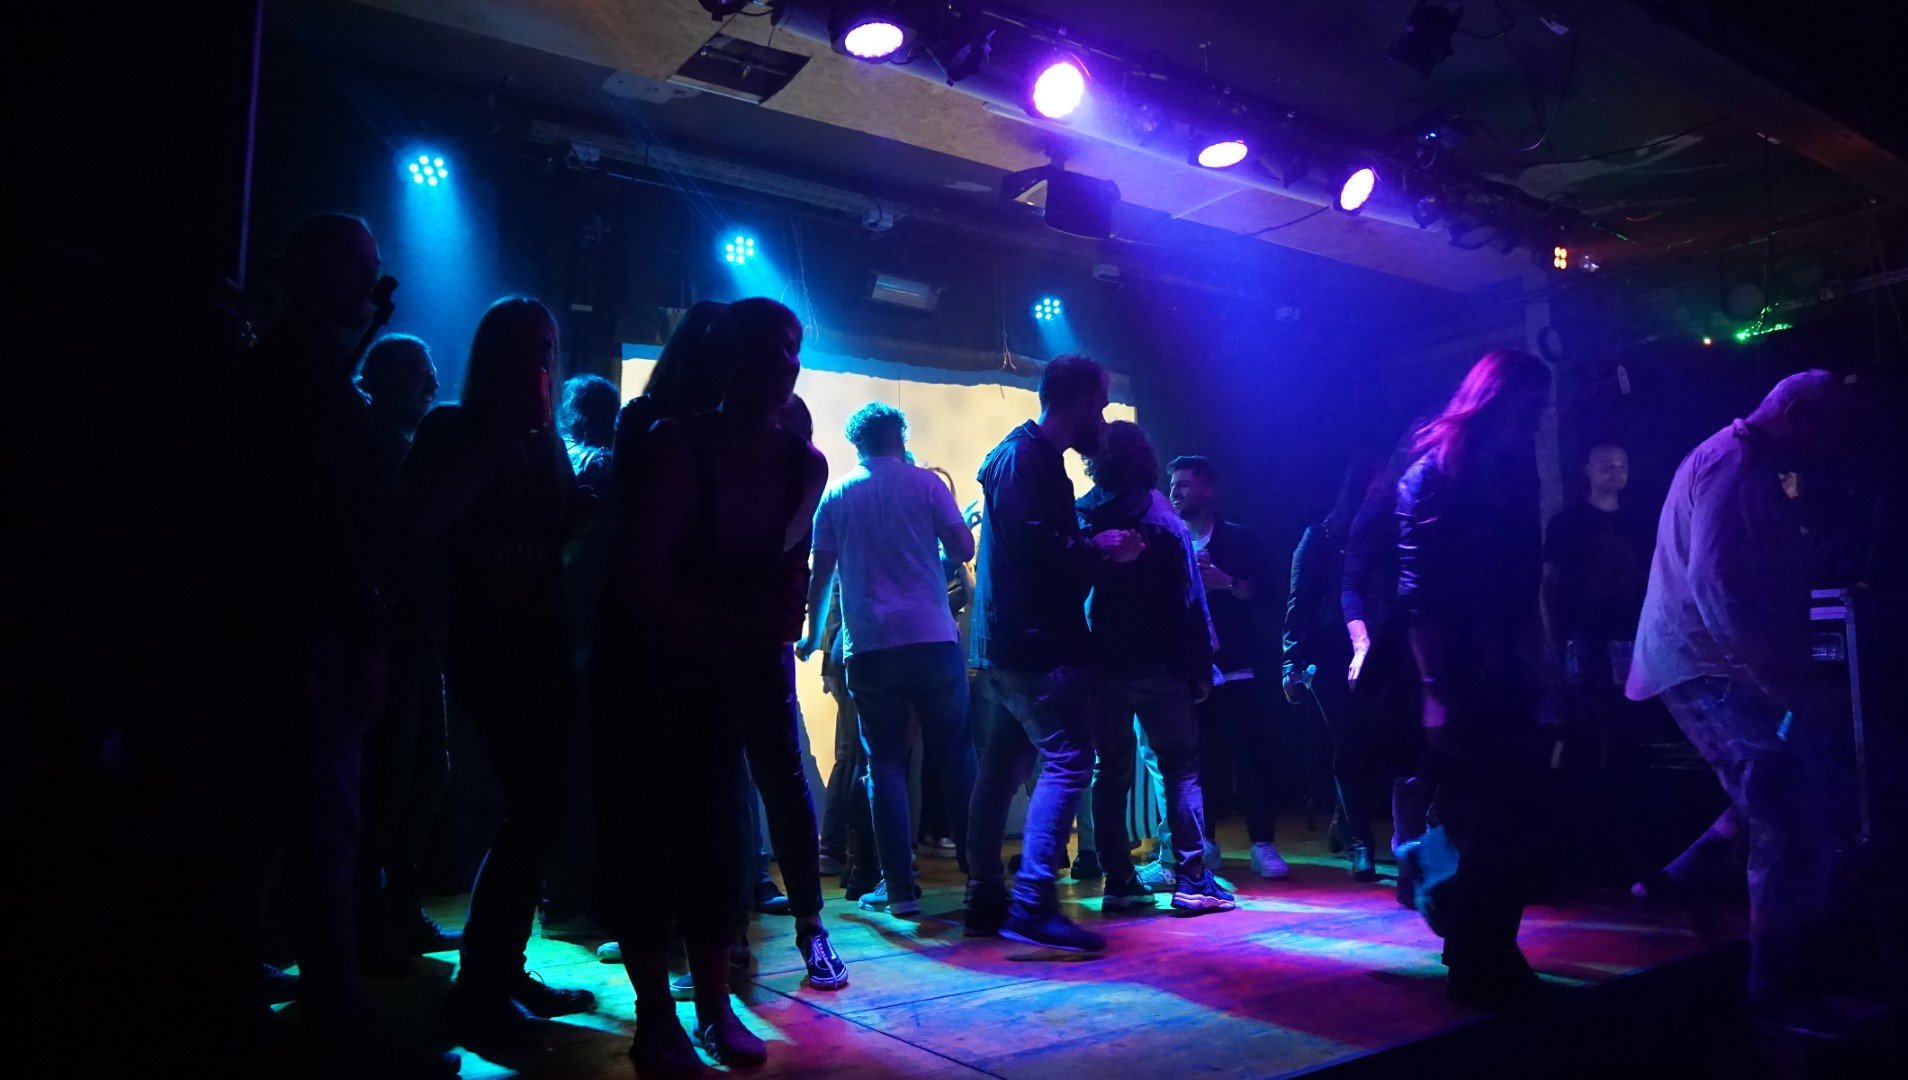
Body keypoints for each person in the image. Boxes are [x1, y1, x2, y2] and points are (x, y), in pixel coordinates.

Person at [596, 298, 843, 1075]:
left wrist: (768, 621)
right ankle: (658, 1018)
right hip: (652, 668)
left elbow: (786, 575)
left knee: (713, 836)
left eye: (793, 348)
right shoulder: (677, 442)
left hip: (722, 665)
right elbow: (642, 583)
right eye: (771, 347)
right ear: (731, 358)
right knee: (653, 836)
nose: (786, 364)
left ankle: (710, 1007)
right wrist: (745, 623)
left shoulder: (799, 462)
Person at [244, 215, 459, 1076]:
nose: (374, 282)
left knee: (306, 813)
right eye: (359, 266)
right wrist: (368, 620)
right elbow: (321, 518)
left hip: (312, 627)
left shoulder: (300, 363)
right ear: (313, 268)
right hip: (317, 631)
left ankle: (309, 992)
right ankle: (339, 1019)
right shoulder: (304, 371)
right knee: (325, 819)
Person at [1625, 370, 1853, 1036]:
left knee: (1788, 780)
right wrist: (1776, 680)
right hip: (1711, 668)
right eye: (1826, 429)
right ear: (1797, 415)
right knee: (1790, 813)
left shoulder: (1736, 460)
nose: (1829, 446)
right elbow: (1719, 586)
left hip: (1713, 664)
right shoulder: (1736, 465)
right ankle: (1774, 990)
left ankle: (1681, 877)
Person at [404, 297, 597, 1043]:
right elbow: (417, 525)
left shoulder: (543, 444)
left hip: (541, 641)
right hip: (489, 645)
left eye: (550, 347)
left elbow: (550, 547)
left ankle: (499, 970)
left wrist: (576, 522)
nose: (544, 362)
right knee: (531, 809)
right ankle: (482, 986)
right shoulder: (456, 428)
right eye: (531, 348)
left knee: (539, 810)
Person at [966, 354, 1143, 953]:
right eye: (1102, 403)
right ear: (1078, 400)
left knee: (1000, 768)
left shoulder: (1018, 457)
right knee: (1069, 761)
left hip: (1009, 643)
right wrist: (1101, 547)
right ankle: (1032, 902)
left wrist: (1087, 545)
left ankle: (985, 897)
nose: (1105, 417)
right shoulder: (1028, 461)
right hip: (1034, 644)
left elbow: (1033, 547)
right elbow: (1040, 553)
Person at [1395, 348, 1553, 1009]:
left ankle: (1472, 933)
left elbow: (1522, 578)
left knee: (1509, 809)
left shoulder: (1513, 470)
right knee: (1497, 808)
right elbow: (1419, 596)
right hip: (1457, 661)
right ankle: (1477, 954)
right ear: (1497, 402)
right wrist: (1435, 689)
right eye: (1530, 409)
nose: (1537, 422)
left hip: (1501, 659)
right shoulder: (1434, 474)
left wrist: (1538, 657)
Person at [798, 403, 979, 917]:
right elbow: (962, 546)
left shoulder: (836, 495)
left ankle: (899, 890)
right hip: (932, 639)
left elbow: (821, 576)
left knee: (885, 765)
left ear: (856, 442)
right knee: (956, 754)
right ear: (900, 436)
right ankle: (980, 877)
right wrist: (933, 554)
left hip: (872, 646)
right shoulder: (926, 484)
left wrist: (812, 637)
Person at [1078, 421, 1234, 914]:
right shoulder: (1161, 515)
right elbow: (1189, 597)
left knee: (1110, 772)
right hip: (1161, 667)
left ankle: (1119, 882)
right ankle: (1192, 880)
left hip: (1102, 666)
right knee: (1180, 769)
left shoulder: (1082, 513)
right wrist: (1201, 665)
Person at [354, 334, 461, 975]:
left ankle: (394, 908)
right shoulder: (368, 447)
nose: (432, 384)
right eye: (419, 373)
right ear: (381, 379)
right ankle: (371, 922)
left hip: (418, 639)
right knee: (387, 783)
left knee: (422, 775)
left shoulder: (406, 448)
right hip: (384, 638)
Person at [1167, 455, 1289, 880]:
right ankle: (1206, 842)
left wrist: (1228, 583)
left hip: (1237, 666)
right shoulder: (1169, 539)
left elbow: (1270, 592)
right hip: (1189, 670)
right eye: (1173, 484)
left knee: (1251, 755)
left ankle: (1262, 843)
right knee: (1200, 760)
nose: (1175, 491)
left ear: (1209, 489)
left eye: (1185, 483)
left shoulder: (1239, 539)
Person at [1283, 459, 1389, 882]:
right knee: (1349, 741)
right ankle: (1361, 842)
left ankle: (1344, 821)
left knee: (1373, 743)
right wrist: (1290, 663)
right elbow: (1299, 600)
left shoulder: (1384, 535)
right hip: (1327, 655)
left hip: (1379, 649)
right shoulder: (1321, 536)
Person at [1342, 426, 1432, 905]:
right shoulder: (1379, 509)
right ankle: (1409, 866)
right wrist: (1362, 645)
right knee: (1411, 760)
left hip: (1443, 639)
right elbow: (1350, 585)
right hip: (1396, 647)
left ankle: (1433, 863)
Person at [1543, 442, 1649, 691]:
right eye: (1607, 466)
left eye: (1622, 466)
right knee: (1589, 698)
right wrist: (1551, 636)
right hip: (1584, 634)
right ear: (1587, 470)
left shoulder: (1640, 522)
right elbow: (1549, 583)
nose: (1616, 472)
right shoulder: (1566, 523)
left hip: (1633, 631)